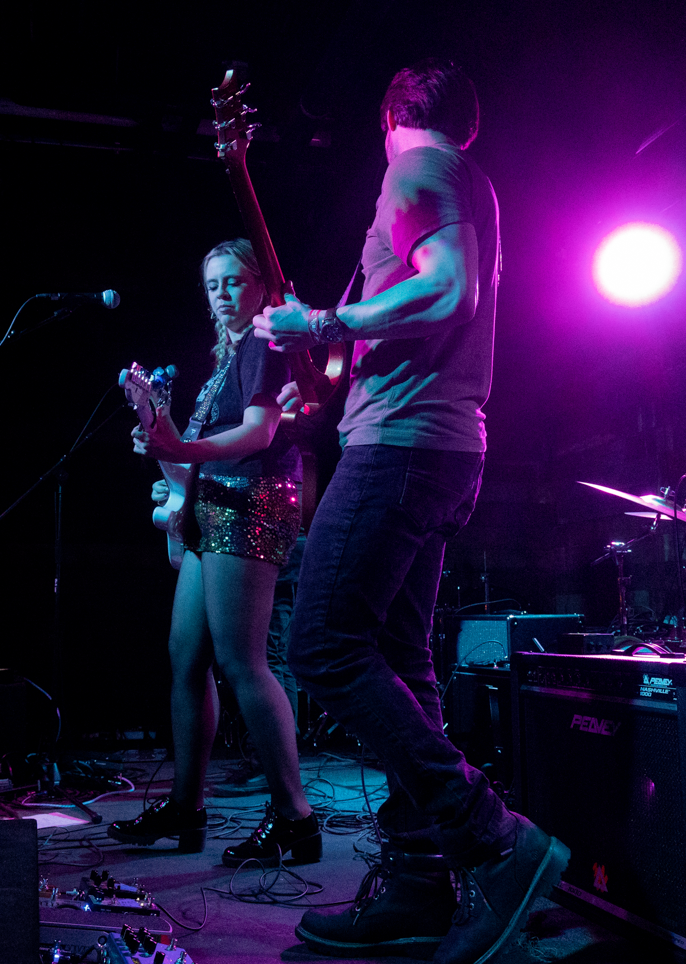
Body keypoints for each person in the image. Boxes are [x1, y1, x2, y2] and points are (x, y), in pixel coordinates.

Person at [252, 59, 569, 964]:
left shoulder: (417, 169)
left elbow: (448, 289)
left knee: (321, 645)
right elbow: (433, 304)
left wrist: (324, 324)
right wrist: (334, 365)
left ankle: (496, 841)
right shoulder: (468, 180)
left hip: (402, 448)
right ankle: (423, 882)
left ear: (391, 117)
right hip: (439, 448)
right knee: (400, 662)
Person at [108, 238, 319, 867]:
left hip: (250, 503)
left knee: (241, 661)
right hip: (214, 506)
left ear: (260, 285)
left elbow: (259, 433)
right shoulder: (226, 360)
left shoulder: (265, 342)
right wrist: (163, 441)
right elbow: (197, 455)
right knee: (186, 657)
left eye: (234, 281)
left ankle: (296, 819)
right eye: (212, 285)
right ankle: (186, 808)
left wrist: (178, 449)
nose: (222, 294)